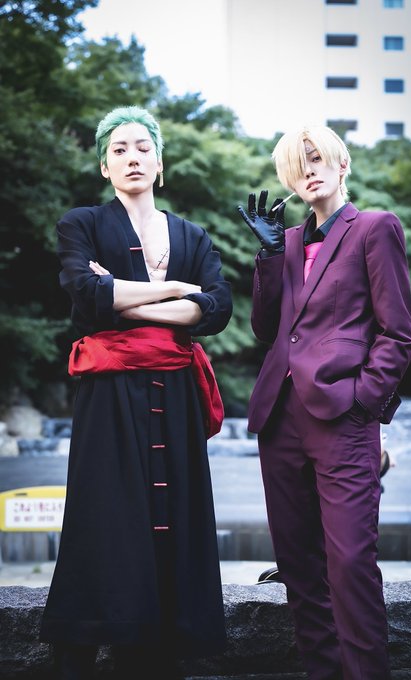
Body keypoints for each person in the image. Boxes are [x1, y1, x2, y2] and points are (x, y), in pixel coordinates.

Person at [39, 105, 232, 680]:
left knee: (176, 512)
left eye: (143, 148)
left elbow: (217, 308)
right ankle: (86, 643)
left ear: (160, 162)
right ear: (105, 166)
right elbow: (85, 293)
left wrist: (123, 296)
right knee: (103, 510)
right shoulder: (81, 223)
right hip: (108, 392)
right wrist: (174, 290)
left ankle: (159, 647)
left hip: (177, 392)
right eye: (118, 150)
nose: (132, 158)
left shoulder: (192, 234)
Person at [237, 124, 411, 680]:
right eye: (298, 164)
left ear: (342, 164)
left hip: (343, 416)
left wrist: (364, 401)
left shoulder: (375, 228)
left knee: (351, 562)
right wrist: (269, 256)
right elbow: (267, 329)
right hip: (279, 417)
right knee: (297, 563)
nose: (309, 170)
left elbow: (398, 332)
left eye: (317, 159)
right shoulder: (288, 243)